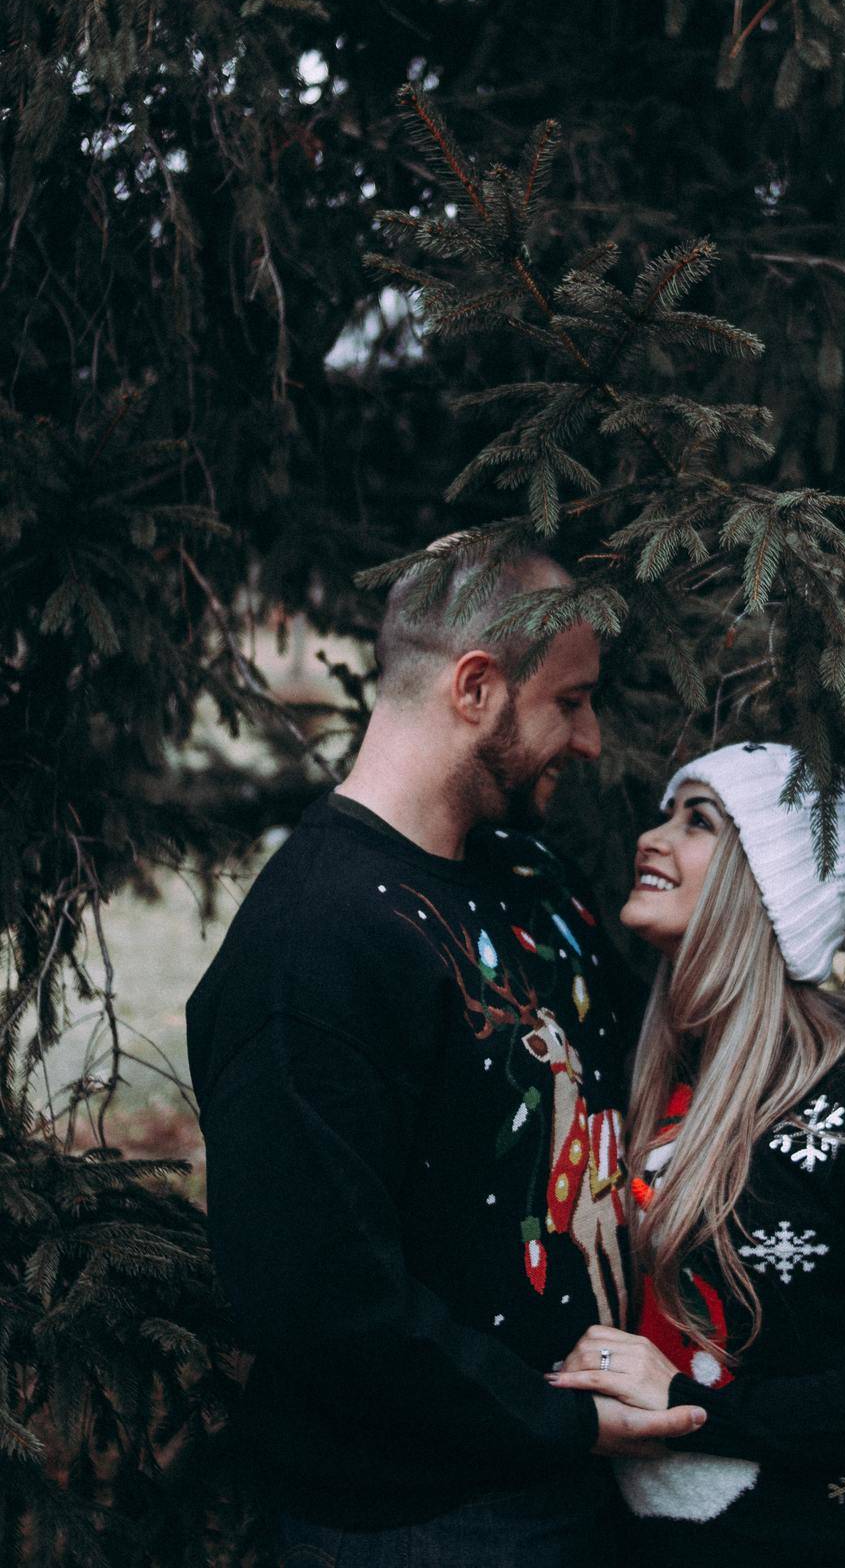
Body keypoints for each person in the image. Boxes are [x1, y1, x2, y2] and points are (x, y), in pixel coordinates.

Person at [185, 545, 706, 1568]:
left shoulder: (526, 872)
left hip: (581, 1480)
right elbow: (320, 1301)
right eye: (572, 701)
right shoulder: (315, 943)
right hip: (422, 1519)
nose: (592, 740)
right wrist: (564, 1422)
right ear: (476, 687)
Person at [547, 743, 845, 1568]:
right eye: (666, 813)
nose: (651, 838)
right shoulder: (659, 1072)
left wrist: (698, 1408)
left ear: (769, 880)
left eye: (699, 821)